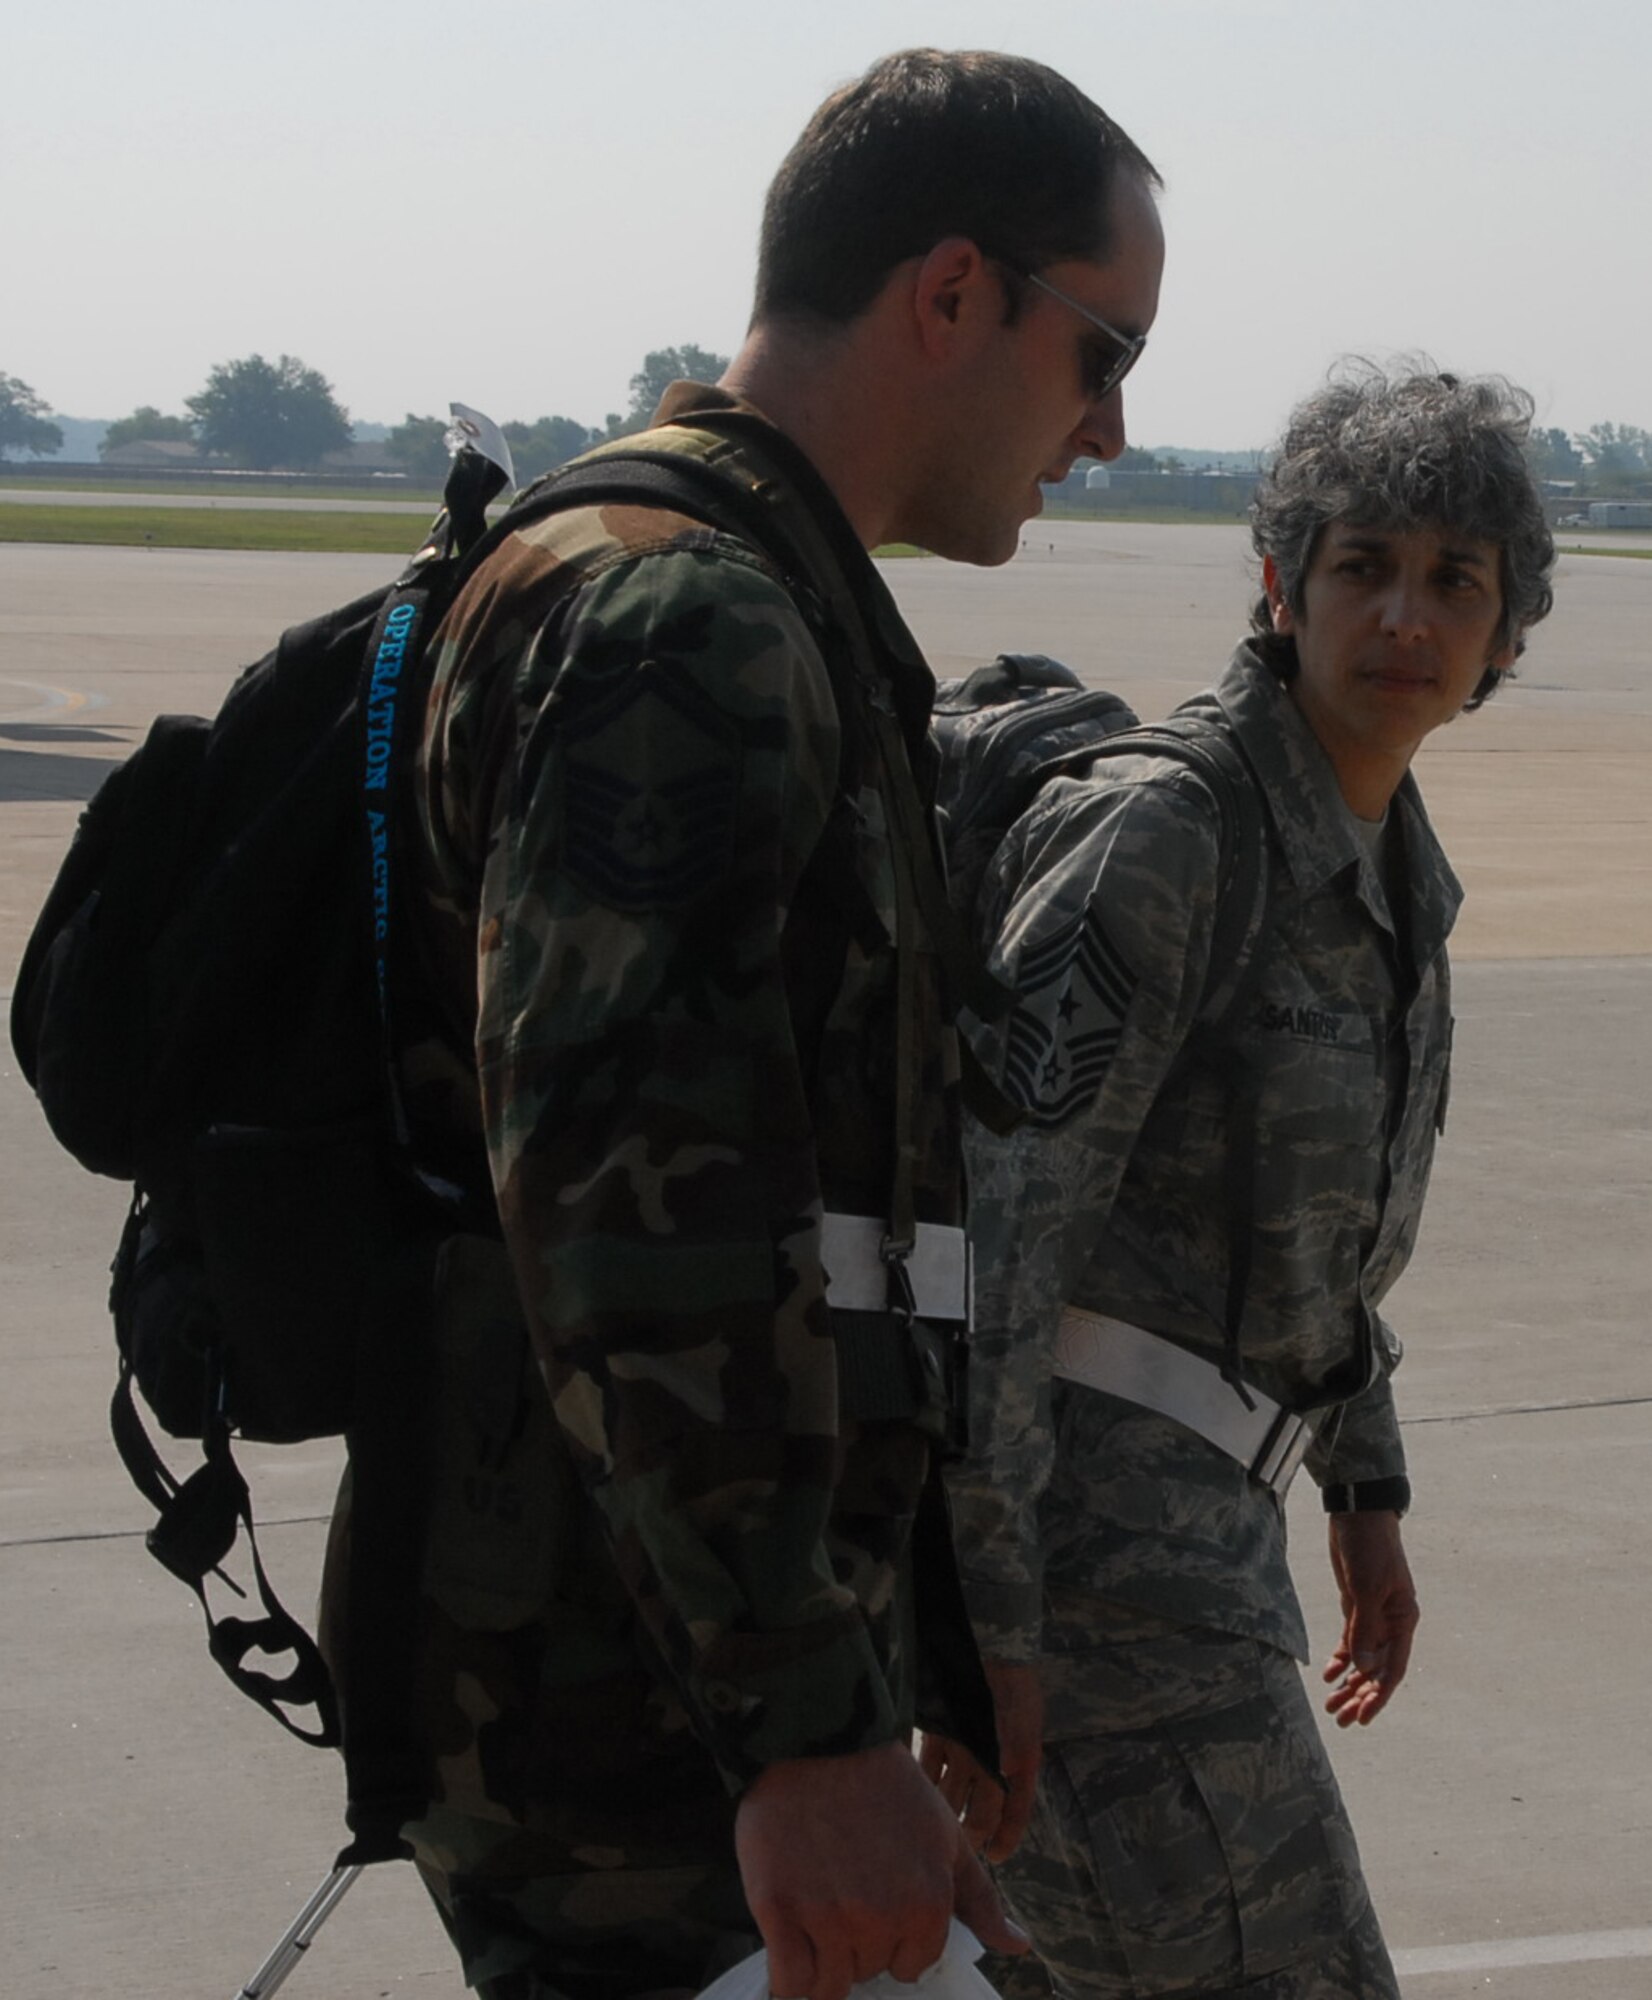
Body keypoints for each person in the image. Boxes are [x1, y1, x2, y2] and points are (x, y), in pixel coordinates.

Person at [320, 48, 1167, 2000]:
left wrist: (918, 1635)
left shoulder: (727, 589)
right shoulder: (687, 626)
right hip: (635, 1750)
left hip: (655, 1683)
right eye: (1102, 349)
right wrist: (803, 1729)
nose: (1113, 426)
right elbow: (631, 1215)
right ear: (950, 293)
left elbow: (828, 1222)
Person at [924, 366, 1556, 1998]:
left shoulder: (1389, 868)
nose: (1405, 616)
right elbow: (996, 1260)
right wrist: (983, 1631)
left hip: (1211, 1547)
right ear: (1282, 586)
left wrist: (1364, 1490)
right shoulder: (1170, 837)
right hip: (1098, 1597)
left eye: (1455, 580)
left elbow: (1317, 1243)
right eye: (1363, 567)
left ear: (1505, 633)